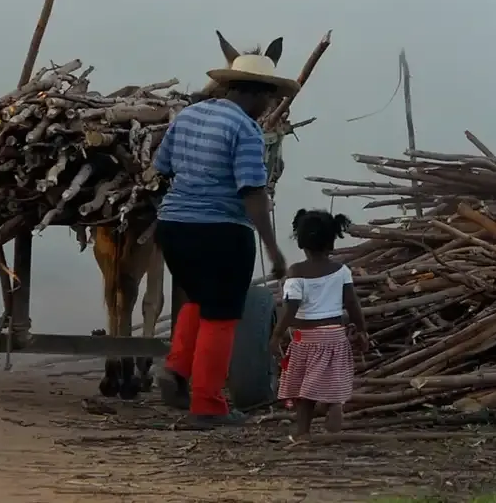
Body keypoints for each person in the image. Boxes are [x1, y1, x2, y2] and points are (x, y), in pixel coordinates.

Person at [151, 42, 297, 426]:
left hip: (173, 228)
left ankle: (176, 368)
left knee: (199, 300)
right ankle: (208, 405)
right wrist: (272, 248)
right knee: (223, 317)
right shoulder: (246, 130)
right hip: (220, 232)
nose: (269, 106)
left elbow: (160, 164)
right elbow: (252, 192)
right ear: (258, 92)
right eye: (270, 96)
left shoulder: (188, 115)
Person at [271, 209, 369, 438]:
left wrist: (277, 334)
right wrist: (362, 330)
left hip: (304, 338)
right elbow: (352, 304)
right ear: (332, 241)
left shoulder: (296, 272)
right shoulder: (341, 271)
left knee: (305, 391)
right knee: (332, 378)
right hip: (335, 335)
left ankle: (302, 433)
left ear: (301, 243)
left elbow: (291, 308)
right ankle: (335, 405)